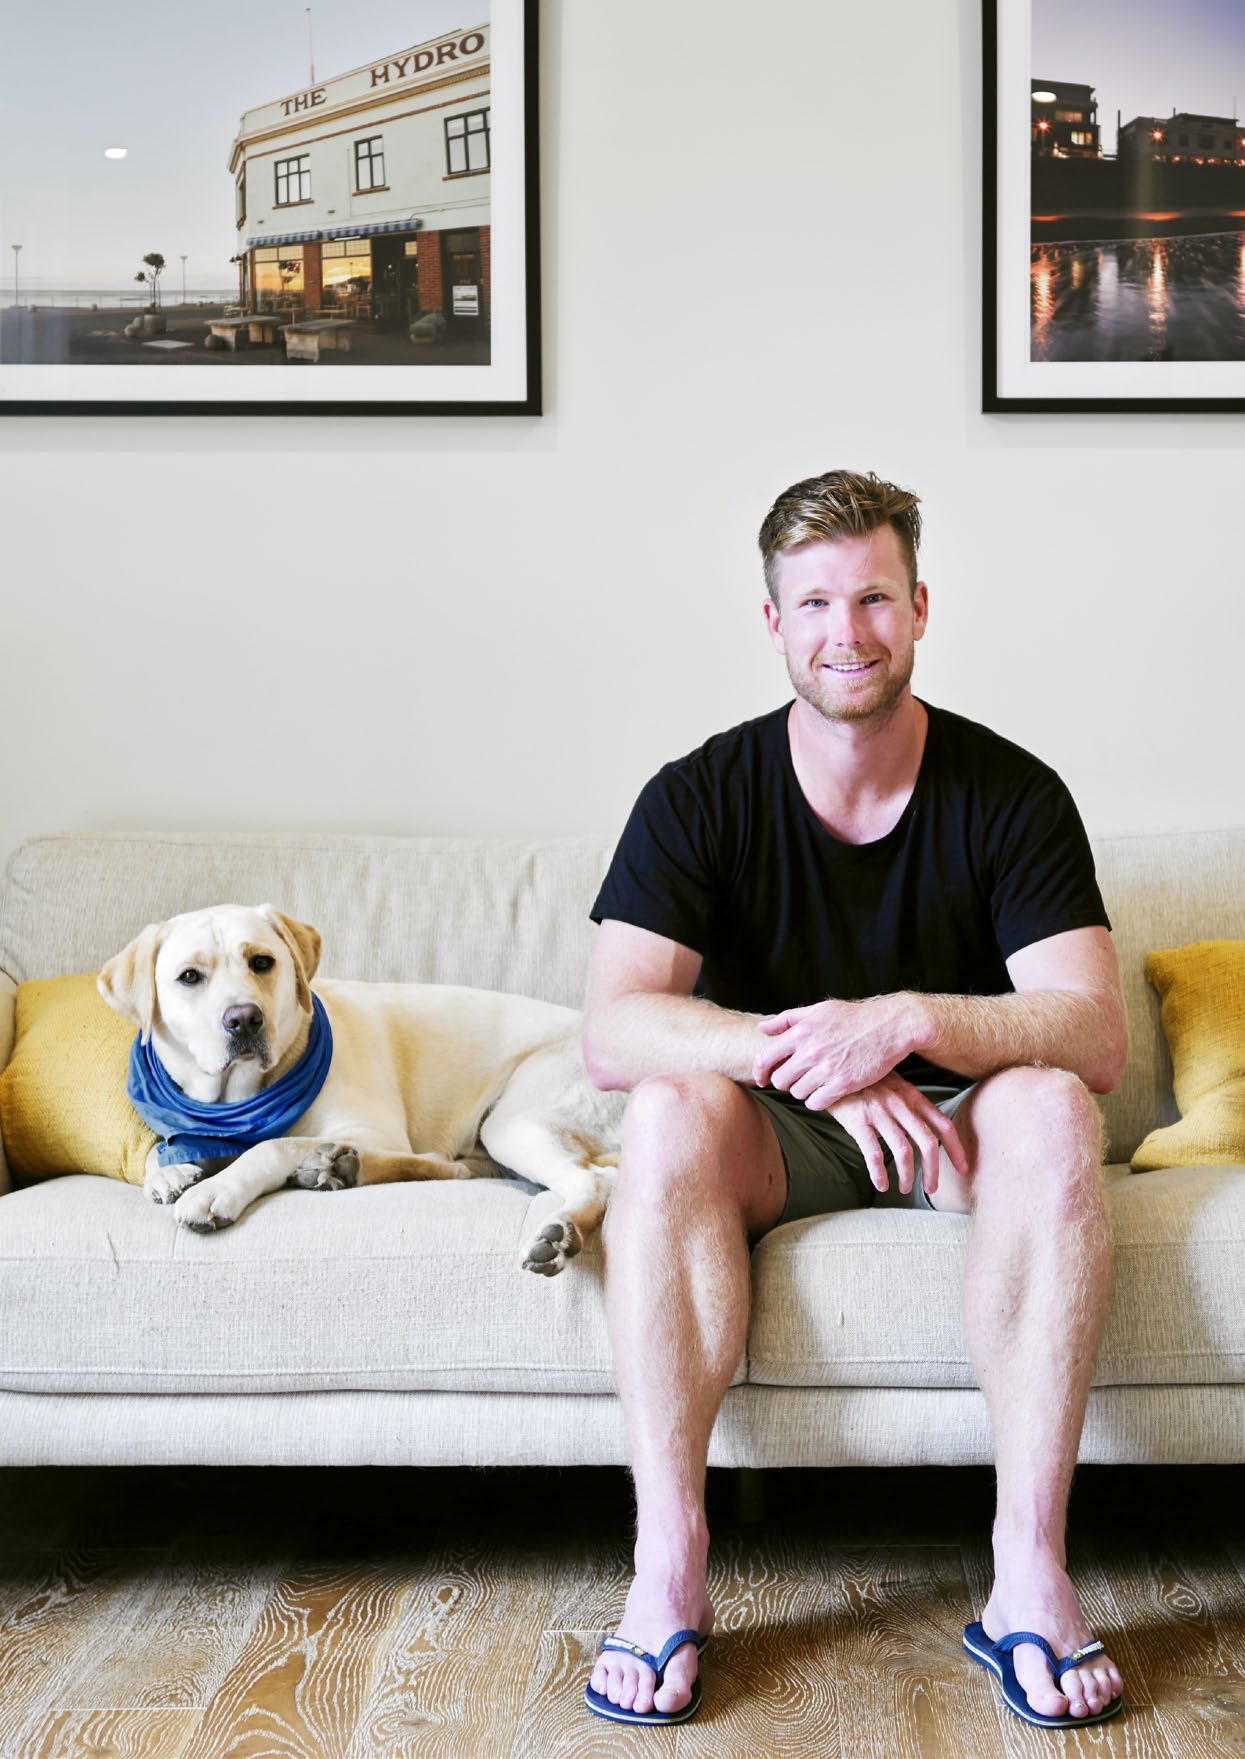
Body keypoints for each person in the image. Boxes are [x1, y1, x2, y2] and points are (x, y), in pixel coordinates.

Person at [580, 469, 1128, 1731]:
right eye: (815, 600)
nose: (848, 629)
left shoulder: (1013, 793)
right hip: (772, 1134)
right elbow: (614, 1029)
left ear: (921, 606)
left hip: (960, 1125)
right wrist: (816, 1054)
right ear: (772, 622)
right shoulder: (697, 794)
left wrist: (910, 1021)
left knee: (1054, 1108)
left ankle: (1028, 1577)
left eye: (874, 595)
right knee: (663, 1110)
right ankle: (669, 1569)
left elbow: (1093, 1032)